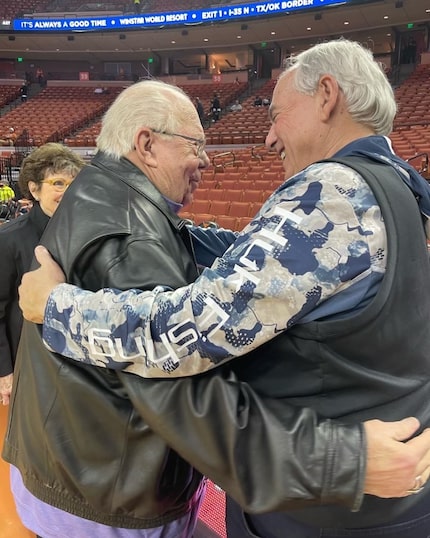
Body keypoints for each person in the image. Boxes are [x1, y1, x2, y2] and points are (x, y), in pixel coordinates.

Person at [16, 40, 430, 537]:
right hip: (354, 498)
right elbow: (277, 265)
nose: (271, 137)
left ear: (327, 95)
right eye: (196, 145)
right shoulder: (397, 183)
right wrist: (173, 233)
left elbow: (182, 335)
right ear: (146, 145)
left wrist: (56, 307)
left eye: (276, 115)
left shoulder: (334, 191)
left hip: (341, 506)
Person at [3, 80, 210, 538]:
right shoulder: (136, 239)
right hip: (109, 498)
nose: (205, 160)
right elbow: (182, 394)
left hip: (59, 465)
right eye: (196, 144)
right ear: (147, 143)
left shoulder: (94, 189)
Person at [0, 143, 84, 407]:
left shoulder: (88, 233)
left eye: (73, 183)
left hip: (80, 366)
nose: (67, 192)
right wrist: (4, 371)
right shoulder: (9, 239)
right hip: (30, 363)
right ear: (34, 189)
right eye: (58, 183)